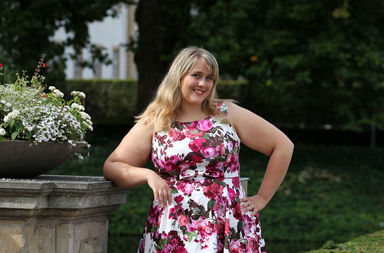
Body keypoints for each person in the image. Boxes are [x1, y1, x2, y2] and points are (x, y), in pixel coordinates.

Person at [103, 46, 294, 253]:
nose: (203, 84)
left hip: (228, 222)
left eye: (209, 78)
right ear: (179, 76)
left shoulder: (227, 114)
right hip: (173, 227)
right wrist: (148, 175)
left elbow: (283, 146)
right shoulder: (157, 120)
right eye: (197, 75)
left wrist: (262, 197)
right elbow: (113, 166)